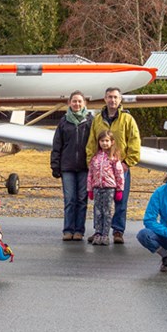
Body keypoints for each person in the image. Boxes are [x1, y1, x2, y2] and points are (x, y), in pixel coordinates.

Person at [85, 87, 140, 244]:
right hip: (102, 170)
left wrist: (127, 162)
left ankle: (118, 231)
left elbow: (134, 142)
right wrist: (91, 162)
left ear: (120, 99)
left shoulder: (127, 119)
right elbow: (91, 142)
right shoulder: (97, 120)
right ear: (105, 99)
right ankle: (99, 231)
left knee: (121, 200)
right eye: (110, 97)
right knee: (100, 204)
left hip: (120, 168)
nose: (112, 100)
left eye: (115, 97)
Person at [50, 90, 93, 241]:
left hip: (84, 167)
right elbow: (57, 144)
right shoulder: (63, 122)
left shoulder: (90, 121)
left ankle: (79, 230)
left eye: (79, 101)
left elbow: (94, 144)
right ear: (69, 103)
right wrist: (55, 165)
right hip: (67, 166)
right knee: (70, 199)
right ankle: (68, 229)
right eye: (74, 101)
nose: (77, 104)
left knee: (82, 199)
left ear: (84, 103)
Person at [87, 130, 125, 246]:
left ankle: (105, 234)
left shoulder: (114, 158)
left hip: (109, 188)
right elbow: (90, 174)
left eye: (107, 141)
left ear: (112, 142)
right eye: (102, 141)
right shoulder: (95, 158)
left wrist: (119, 189)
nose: (104, 143)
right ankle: (97, 233)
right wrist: (90, 189)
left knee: (107, 211)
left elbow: (119, 174)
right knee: (98, 211)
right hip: (97, 187)